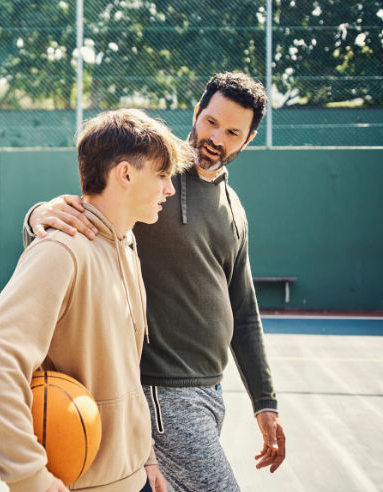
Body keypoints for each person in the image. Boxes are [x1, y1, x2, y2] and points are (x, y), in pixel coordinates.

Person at [25, 73, 286, 491]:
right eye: (211, 121)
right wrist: (38, 215)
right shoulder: (154, 177)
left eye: (232, 131)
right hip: (162, 391)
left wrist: (265, 402)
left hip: (210, 391)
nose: (215, 137)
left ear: (248, 139)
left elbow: (244, 310)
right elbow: (88, 211)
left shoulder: (233, 206)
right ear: (197, 112)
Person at [0, 108, 193, 492]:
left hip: (133, 476)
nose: (169, 189)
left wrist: (145, 457)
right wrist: (29, 476)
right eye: (161, 175)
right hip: (86, 483)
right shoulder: (62, 249)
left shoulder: (126, 244)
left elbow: (124, 367)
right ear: (124, 174)